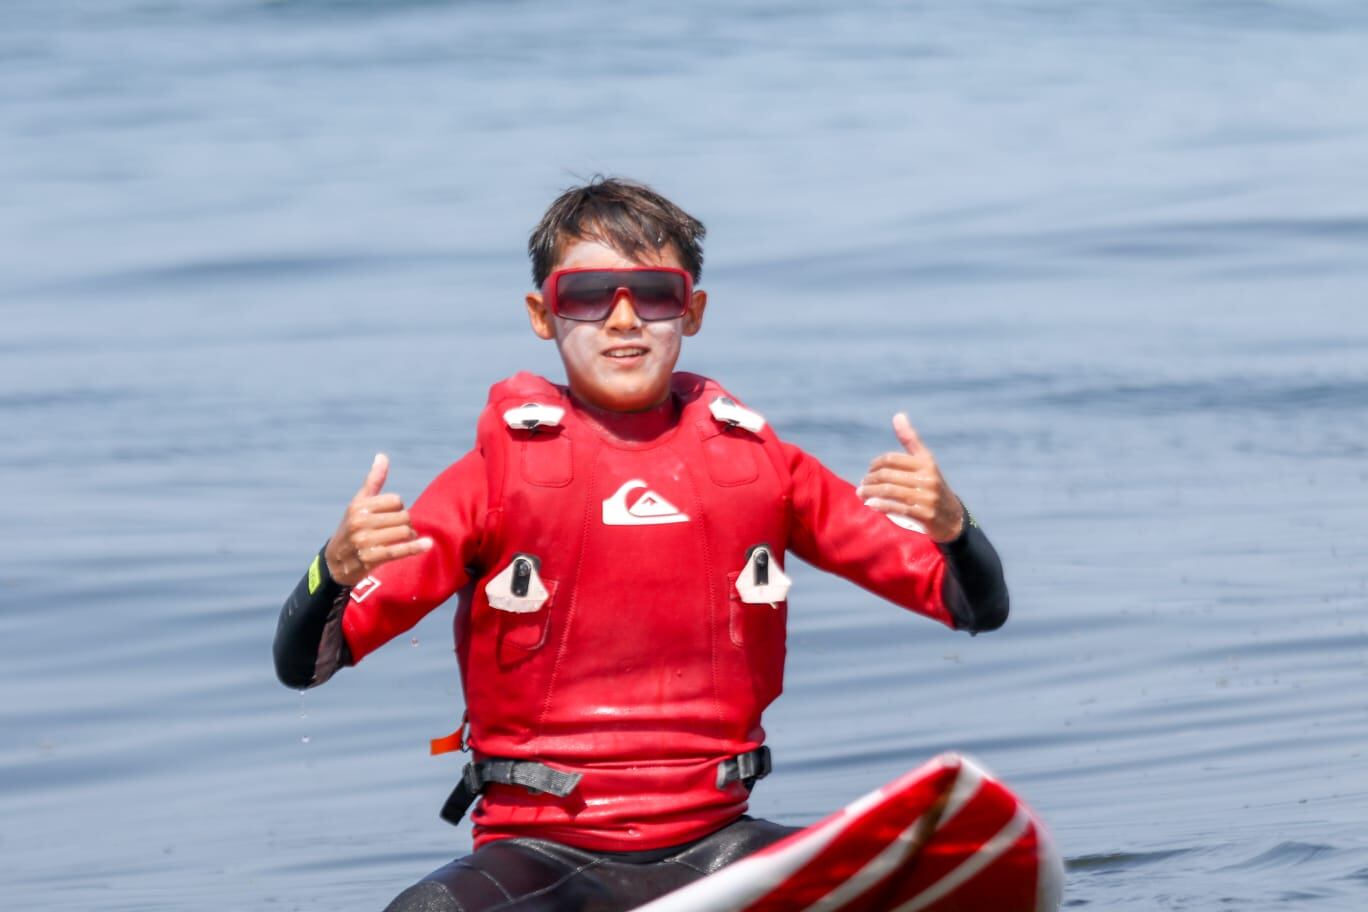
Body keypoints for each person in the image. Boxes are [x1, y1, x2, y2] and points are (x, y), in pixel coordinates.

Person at [273, 177, 1010, 911]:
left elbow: (973, 607)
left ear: (692, 311)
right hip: (540, 860)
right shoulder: (491, 480)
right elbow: (304, 665)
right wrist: (329, 571)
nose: (623, 319)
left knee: (919, 870)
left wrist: (956, 527)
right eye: (589, 294)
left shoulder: (763, 468)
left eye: (654, 293)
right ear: (542, 313)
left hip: (721, 846)